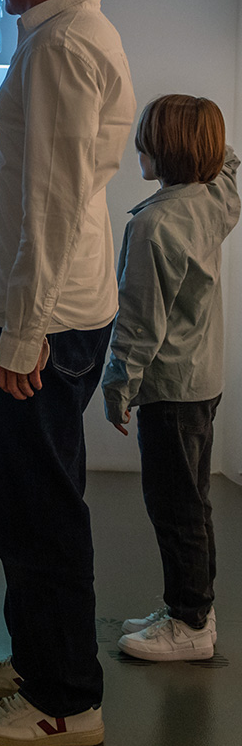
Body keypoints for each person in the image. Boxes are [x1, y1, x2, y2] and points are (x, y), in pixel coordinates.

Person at [0, 0, 136, 746]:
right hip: (51, 307)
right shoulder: (63, 37)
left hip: (48, 318)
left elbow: (56, 203)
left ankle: (66, 697)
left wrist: (24, 330)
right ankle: (39, 661)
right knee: (26, 503)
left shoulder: (63, 48)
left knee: (41, 508)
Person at [102, 95, 239, 661]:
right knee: (194, 501)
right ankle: (190, 605)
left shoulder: (155, 224)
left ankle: (191, 625)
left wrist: (117, 389)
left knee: (176, 506)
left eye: (149, 136)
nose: (139, 145)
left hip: (170, 391)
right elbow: (229, 162)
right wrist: (205, 144)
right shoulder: (215, 200)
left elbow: (138, 326)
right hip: (202, 383)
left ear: (170, 148)